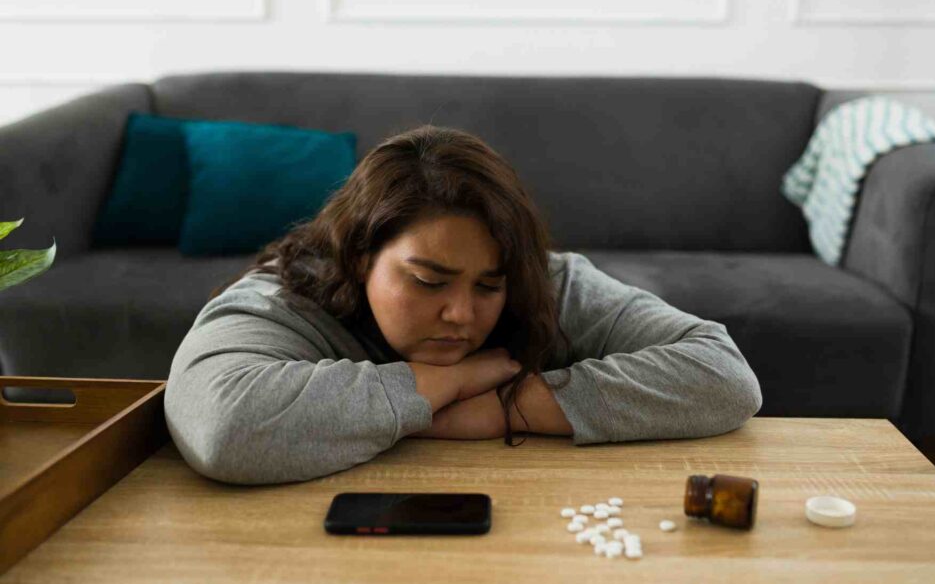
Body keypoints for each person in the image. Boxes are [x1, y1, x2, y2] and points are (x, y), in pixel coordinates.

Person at [164, 125, 762, 485]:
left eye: (487, 286)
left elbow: (725, 376)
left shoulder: (549, 281)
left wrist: (508, 408)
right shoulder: (279, 298)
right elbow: (223, 430)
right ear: (360, 254)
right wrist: (441, 384)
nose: (462, 315)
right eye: (428, 281)